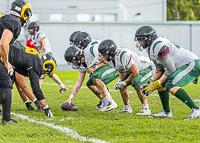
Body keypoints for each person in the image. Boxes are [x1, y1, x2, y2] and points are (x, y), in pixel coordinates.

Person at [134, 25, 200, 120]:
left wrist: (156, 84)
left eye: (141, 40)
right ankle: (166, 112)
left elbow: (170, 69)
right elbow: (159, 70)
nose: (140, 42)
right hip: (182, 66)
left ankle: (196, 109)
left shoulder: (159, 46)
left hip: (191, 63)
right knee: (162, 85)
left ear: (149, 38)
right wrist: (151, 81)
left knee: (171, 85)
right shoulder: (151, 48)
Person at [62, 32, 119, 111]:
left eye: (73, 61)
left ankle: (108, 103)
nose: (73, 64)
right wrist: (70, 98)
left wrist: (95, 67)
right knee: (89, 82)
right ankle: (108, 102)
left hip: (114, 66)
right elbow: (79, 83)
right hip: (105, 66)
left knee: (94, 76)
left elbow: (108, 61)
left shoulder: (91, 50)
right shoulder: (83, 60)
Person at [98, 39, 155, 115]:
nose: (103, 56)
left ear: (111, 52)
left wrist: (124, 82)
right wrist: (120, 81)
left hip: (147, 67)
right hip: (134, 70)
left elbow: (135, 72)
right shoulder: (111, 60)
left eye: (104, 54)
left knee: (136, 81)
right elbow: (122, 71)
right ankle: (127, 108)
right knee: (121, 85)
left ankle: (146, 109)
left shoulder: (123, 55)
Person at [0, 0, 32, 125]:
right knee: (6, 83)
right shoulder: (14, 21)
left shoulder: (5, 18)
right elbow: (3, 43)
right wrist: (6, 62)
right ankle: (7, 119)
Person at [9, 41, 55, 117]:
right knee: (5, 85)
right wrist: (46, 107)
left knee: (7, 84)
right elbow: (34, 88)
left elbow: (20, 83)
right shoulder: (36, 63)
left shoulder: (33, 57)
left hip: (9, 49)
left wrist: (28, 102)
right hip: (5, 52)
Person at [27, 21, 67, 93]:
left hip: (46, 55)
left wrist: (41, 58)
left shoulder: (40, 34)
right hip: (42, 56)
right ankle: (62, 86)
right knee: (49, 74)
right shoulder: (33, 37)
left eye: (31, 29)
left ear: (35, 29)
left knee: (42, 72)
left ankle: (37, 90)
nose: (30, 30)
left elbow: (43, 47)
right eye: (30, 29)